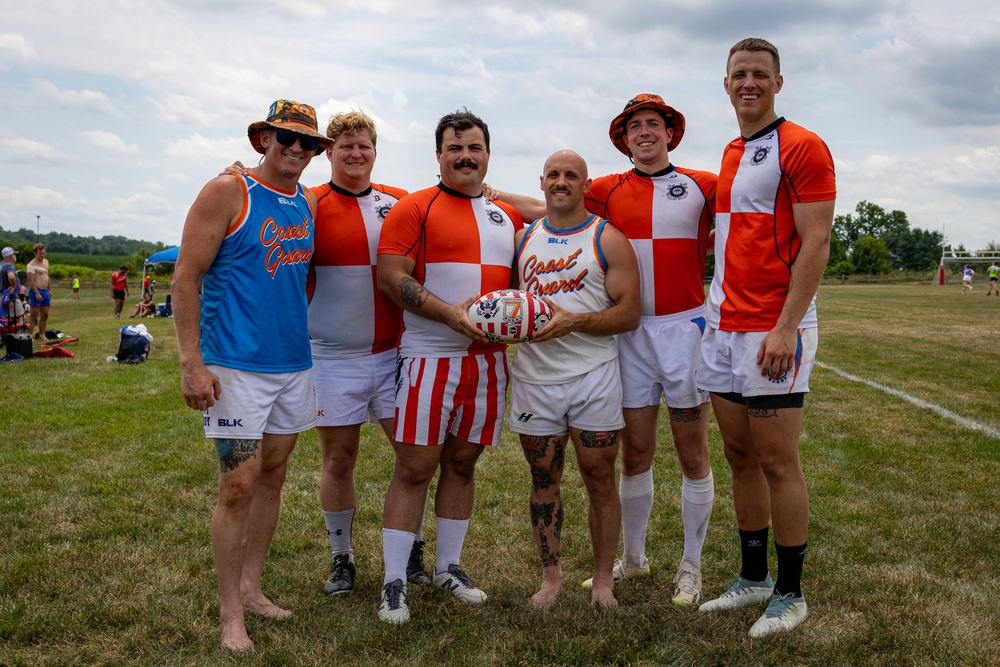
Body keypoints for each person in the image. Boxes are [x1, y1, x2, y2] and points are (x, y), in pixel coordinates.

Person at [487, 93, 718, 606]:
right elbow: (547, 208)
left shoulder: (703, 184)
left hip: (684, 329)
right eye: (635, 126)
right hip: (628, 337)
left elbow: (747, 218)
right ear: (624, 137)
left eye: (653, 124)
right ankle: (632, 561)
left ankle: (691, 565)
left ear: (669, 132)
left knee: (692, 452)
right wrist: (485, 189)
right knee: (634, 453)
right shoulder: (608, 190)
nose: (645, 132)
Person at [172, 99, 332, 651]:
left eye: (309, 143)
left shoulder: (308, 201)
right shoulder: (227, 192)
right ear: (262, 138)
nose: (297, 149)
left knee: (273, 475)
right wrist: (192, 364)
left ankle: (254, 586)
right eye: (285, 137)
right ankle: (229, 613)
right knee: (238, 485)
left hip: (293, 363)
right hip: (234, 366)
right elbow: (185, 279)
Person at [696, 38, 836, 638]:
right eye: (738, 74)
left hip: (772, 331)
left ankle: (790, 593)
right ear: (724, 84)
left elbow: (817, 243)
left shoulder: (803, 146)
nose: (747, 83)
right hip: (722, 327)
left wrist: (784, 326)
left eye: (759, 74)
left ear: (779, 82)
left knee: (778, 461)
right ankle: (752, 578)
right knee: (739, 457)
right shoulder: (732, 151)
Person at [375, 109, 522, 624]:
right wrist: (451, 316)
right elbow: (392, 278)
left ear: (487, 154)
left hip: (489, 365)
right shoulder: (415, 208)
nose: (465, 156)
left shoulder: (506, 216)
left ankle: (448, 566)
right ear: (438, 154)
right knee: (415, 468)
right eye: (455, 148)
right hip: (429, 358)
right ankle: (394, 580)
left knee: (462, 465)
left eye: (474, 147)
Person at [509, 150, 641, 610]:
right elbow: (510, 302)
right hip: (534, 378)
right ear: (541, 182)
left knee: (600, 478)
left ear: (586, 185)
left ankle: (602, 581)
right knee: (543, 478)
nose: (561, 181)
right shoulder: (523, 238)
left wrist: (575, 322)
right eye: (553, 175)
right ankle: (551, 578)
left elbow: (629, 314)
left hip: (593, 376)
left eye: (571, 175)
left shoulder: (607, 238)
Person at [26, 243, 51, 339]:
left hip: (45, 292)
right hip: (36, 292)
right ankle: (29, 337)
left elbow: (47, 277)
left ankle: (42, 335)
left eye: (44, 253)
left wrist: (49, 290)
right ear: (35, 253)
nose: (42, 255)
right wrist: (37, 293)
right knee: (34, 316)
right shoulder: (31, 265)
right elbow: (31, 281)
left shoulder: (46, 262)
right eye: (40, 253)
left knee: (45, 315)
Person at [1, 247, 24, 329]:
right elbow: (11, 277)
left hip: (2, 295)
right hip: (11, 297)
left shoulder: (1, 265)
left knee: (5, 317)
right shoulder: (9, 265)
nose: (15, 256)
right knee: (20, 316)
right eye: (14, 254)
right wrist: (13, 286)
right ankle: (20, 337)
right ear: (11, 256)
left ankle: (5, 336)